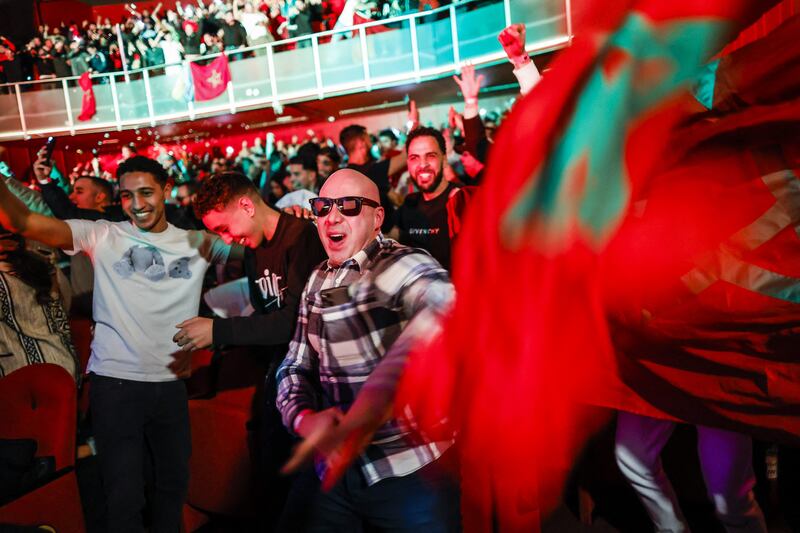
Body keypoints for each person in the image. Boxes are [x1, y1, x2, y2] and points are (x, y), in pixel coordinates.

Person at [0, 154, 237, 532]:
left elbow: (257, 252)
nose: (138, 204)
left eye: (146, 193)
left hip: (171, 385)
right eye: (127, 196)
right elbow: (22, 221)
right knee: (124, 498)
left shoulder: (200, 243)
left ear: (166, 190)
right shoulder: (102, 234)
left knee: (172, 493)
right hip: (116, 386)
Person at [276, 168, 459, 531]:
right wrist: (303, 418)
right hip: (336, 468)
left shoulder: (398, 263)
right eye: (323, 206)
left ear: (378, 218)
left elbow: (447, 307)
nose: (333, 216)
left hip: (409, 470)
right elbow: (295, 364)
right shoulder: (317, 278)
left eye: (348, 206)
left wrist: (373, 402)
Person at [615, 412, 767, 533]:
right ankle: (670, 529)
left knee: (728, 495)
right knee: (631, 454)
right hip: (652, 378)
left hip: (715, 383)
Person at [395, 127, 471, 272]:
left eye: (430, 156)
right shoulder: (410, 203)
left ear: (444, 159)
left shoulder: (462, 200)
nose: (423, 165)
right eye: (414, 158)